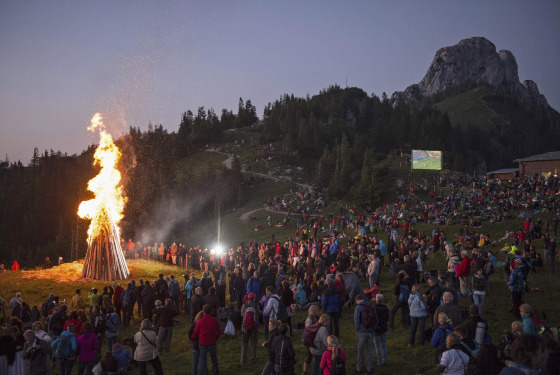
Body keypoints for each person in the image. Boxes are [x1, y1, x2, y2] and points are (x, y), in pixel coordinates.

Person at [191, 304, 222, 375]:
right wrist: (216, 338)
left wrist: (191, 337)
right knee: (214, 358)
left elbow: (195, 333)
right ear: (210, 311)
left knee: (203, 360)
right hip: (212, 342)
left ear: (203, 311)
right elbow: (219, 331)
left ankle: (204, 373)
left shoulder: (200, 322)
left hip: (203, 343)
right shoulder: (214, 320)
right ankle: (215, 372)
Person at [354, 294, 375, 374]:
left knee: (360, 351)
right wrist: (372, 329)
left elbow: (356, 321)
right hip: (370, 332)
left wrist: (358, 329)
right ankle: (369, 368)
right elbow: (376, 319)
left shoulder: (358, 308)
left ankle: (359, 368)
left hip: (361, 332)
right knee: (370, 350)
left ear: (358, 300)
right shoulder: (371, 306)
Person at [241, 292, 261, 363]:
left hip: (245, 327)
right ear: (254, 298)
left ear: (248, 298)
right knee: (253, 343)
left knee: (244, 343)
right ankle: (252, 358)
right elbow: (259, 314)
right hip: (254, 327)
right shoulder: (256, 305)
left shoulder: (244, 305)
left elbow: (242, 314)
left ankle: (243, 359)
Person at [408, 283, 429, 348]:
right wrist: (426, 303)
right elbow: (423, 307)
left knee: (413, 329)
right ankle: (421, 344)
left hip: (413, 314)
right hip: (421, 315)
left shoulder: (410, 296)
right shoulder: (420, 297)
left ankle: (411, 343)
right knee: (421, 329)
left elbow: (409, 305)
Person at [373, 293, 389, 367]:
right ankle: (384, 360)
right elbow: (387, 318)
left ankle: (379, 362)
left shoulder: (374, 308)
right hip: (384, 328)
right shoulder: (386, 308)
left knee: (378, 346)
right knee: (384, 345)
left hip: (376, 329)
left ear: (377, 300)